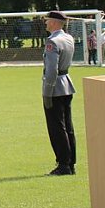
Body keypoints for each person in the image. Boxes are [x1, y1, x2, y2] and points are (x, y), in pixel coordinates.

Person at [41, 11, 77, 176]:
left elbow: (51, 70)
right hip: (66, 84)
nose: (46, 23)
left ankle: (63, 164)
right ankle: (70, 162)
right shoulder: (68, 38)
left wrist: (47, 92)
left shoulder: (52, 41)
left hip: (55, 87)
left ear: (54, 22)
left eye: (48, 20)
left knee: (56, 127)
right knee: (68, 126)